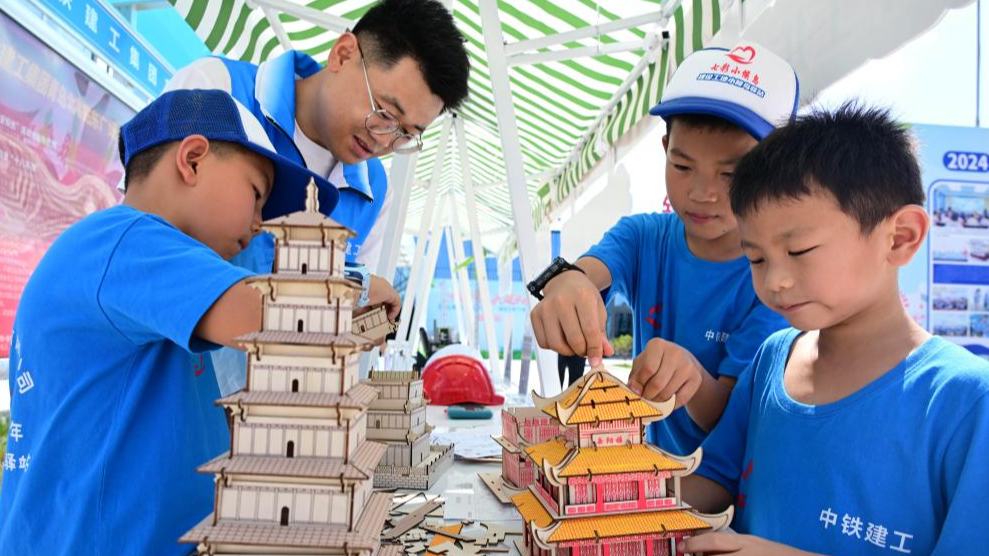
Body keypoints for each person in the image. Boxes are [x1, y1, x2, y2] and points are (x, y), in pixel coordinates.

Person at [0, 89, 335, 555]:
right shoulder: (127, 240)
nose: (260, 224)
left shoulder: (134, 261)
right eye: (256, 195)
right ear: (193, 160)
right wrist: (354, 288)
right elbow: (271, 319)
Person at [679, 104, 989, 555]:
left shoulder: (966, 399)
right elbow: (713, 478)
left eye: (799, 250)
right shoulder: (772, 360)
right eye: (756, 258)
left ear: (900, 237)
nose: (775, 281)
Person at [165, 0, 470, 392]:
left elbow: (336, 326)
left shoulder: (376, 191)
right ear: (342, 53)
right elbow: (157, 249)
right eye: (384, 113)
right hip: (180, 400)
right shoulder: (219, 91)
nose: (384, 140)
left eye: (406, 134)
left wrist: (357, 320)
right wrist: (347, 286)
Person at [528, 43, 796, 455]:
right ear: (665, 147)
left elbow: (733, 421)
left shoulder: (775, 280)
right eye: (683, 166)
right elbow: (588, 271)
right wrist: (566, 282)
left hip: (733, 484)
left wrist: (692, 378)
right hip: (658, 472)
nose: (702, 193)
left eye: (731, 173)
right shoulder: (644, 237)